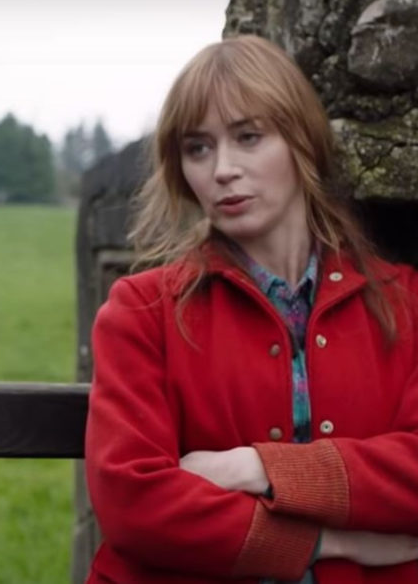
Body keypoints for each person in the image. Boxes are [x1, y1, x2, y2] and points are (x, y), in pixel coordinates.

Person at [84, 34, 418, 583]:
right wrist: (326, 542)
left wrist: (256, 466)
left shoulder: (403, 303)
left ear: (301, 142)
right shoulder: (141, 311)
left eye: (248, 137)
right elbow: (132, 503)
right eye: (198, 148)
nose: (222, 169)